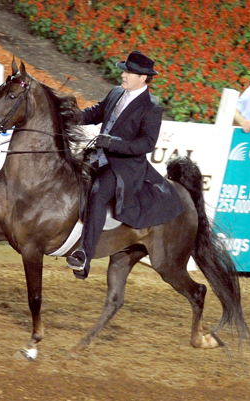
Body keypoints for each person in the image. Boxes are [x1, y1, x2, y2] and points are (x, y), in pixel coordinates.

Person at [66, 50, 184, 279]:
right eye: (125, 70)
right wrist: (70, 116)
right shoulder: (116, 92)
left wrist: (113, 142)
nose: (124, 75)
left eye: (130, 72)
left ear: (143, 78)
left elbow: (146, 144)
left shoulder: (151, 107)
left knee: (99, 193)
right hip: (98, 155)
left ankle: (83, 256)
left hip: (124, 166)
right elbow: (96, 112)